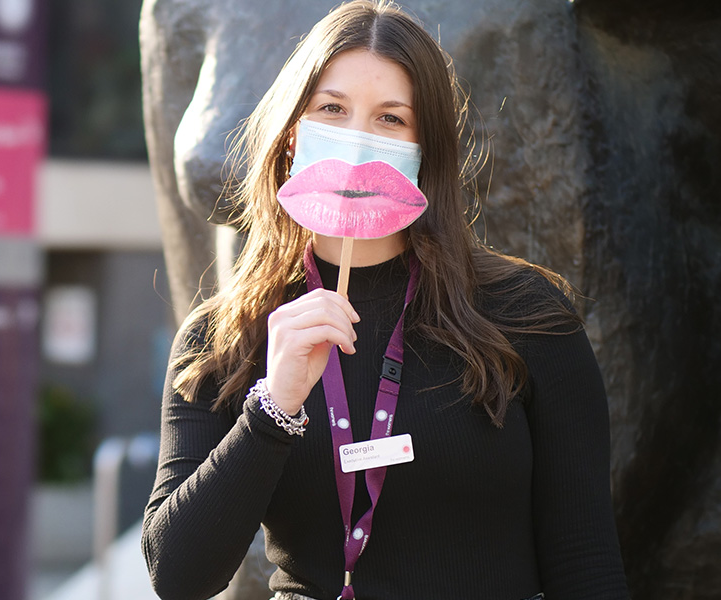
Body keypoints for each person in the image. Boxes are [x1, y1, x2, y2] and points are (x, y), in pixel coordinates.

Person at [141, 2, 630, 599]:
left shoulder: (527, 316)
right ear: (293, 133)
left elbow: (587, 561)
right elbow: (178, 575)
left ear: (426, 149)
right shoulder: (226, 335)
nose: (356, 141)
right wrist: (274, 405)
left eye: (391, 119)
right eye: (332, 109)